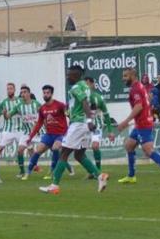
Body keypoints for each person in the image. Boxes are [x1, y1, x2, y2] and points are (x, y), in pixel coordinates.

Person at [39, 65, 108, 194]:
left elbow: (84, 102)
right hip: (85, 124)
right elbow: (92, 103)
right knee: (79, 155)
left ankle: (54, 185)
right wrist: (89, 120)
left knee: (63, 153)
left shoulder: (76, 87)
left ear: (76, 75)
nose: (67, 77)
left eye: (69, 75)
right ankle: (100, 176)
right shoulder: (86, 87)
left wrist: (87, 120)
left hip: (78, 124)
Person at [116, 68, 160, 185]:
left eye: (125, 76)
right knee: (129, 145)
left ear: (133, 75)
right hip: (141, 122)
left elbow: (138, 106)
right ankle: (131, 176)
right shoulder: (139, 86)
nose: (123, 78)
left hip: (143, 123)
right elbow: (146, 101)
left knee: (148, 150)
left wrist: (126, 121)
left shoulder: (135, 88)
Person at [23, 85, 73, 180]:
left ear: (51, 94)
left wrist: (71, 129)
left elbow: (70, 115)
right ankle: (28, 172)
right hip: (49, 134)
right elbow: (39, 123)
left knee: (55, 148)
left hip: (61, 134)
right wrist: (30, 137)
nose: (45, 95)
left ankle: (52, 172)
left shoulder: (60, 105)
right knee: (38, 150)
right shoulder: (42, 108)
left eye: (47, 93)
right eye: (44, 93)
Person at [6, 85, 41, 177]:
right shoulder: (19, 106)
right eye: (21, 92)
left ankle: (66, 167)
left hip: (39, 132)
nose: (23, 94)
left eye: (25, 92)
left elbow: (44, 115)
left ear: (29, 93)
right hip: (27, 133)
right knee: (20, 150)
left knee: (53, 148)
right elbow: (8, 116)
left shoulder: (36, 104)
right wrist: (5, 114)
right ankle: (22, 171)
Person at [85, 77, 115, 172]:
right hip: (83, 126)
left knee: (95, 146)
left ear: (93, 84)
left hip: (96, 126)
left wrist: (110, 130)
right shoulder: (80, 98)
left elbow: (106, 114)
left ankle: (97, 170)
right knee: (79, 150)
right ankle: (91, 170)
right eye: (85, 84)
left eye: (88, 84)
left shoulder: (99, 98)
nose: (87, 86)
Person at [0, 83, 22, 160]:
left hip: (20, 129)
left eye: (11, 89)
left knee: (28, 146)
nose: (9, 90)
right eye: (8, 89)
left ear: (14, 90)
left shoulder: (20, 101)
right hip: (8, 129)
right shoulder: (3, 103)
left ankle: (35, 165)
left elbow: (25, 113)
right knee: (0, 147)